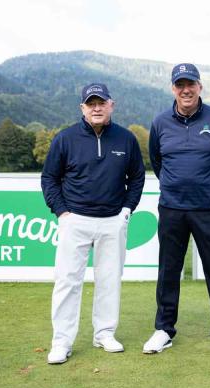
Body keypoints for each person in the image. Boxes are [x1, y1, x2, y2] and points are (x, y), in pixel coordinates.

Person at [41, 83, 145, 364]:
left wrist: (127, 210)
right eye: (91, 104)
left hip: (113, 220)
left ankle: (105, 334)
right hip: (75, 219)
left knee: (109, 280)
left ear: (112, 105)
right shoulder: (65, 138)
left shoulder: (126, 139)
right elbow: (49, 178)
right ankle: (61, 342)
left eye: (101, 103)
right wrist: (61, 212)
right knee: (67, 281)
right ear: (82, 108)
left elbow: (137, 177)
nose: (96, 108)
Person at [143, 63, 210, 357]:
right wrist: (176, 185)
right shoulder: (160, 122)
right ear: (173, 88)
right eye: (180, 85)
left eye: (191, 84)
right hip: (172, 207)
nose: (186, 90)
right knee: (168, 270)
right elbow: (157, 161)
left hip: (208, 208)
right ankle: (164, 330)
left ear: (200, 87)